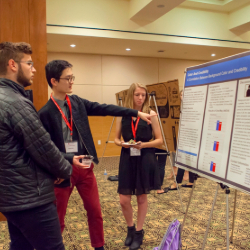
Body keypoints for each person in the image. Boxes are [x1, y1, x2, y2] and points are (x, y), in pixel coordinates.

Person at [38, 60, 155, 250]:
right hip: (63, 170)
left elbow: (106, 108)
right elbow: (45, 148)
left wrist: (135, 113)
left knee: (95, 212)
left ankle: (98, 246)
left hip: (85, 166)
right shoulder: (44, 113)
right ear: (54, 81)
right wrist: (64, 162)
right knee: (58, 217)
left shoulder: (77, 103)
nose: (71, 82)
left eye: (72, 77)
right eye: (68, 78)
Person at [0, 42, 73, 250]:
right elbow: (43, 148)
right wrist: (64, 170)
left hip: (10, 195)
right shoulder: (15, 102)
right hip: (30, 198)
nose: (34, 69)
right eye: (29, 63)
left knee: (21, 245)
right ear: (13, 64)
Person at [114, 83, 163, 250]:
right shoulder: (122, 114)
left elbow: (160, 140)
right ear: (130, 96)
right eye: (137, 95)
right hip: (127, 158)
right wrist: (122, 144)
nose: (141, 98)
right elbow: (116, 139)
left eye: (143, 95)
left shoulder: (151, 114)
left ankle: (139, 232)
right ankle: (130, 228)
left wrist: (145, 145)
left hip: (145, 157)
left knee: (141, 197)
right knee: (123, 200)